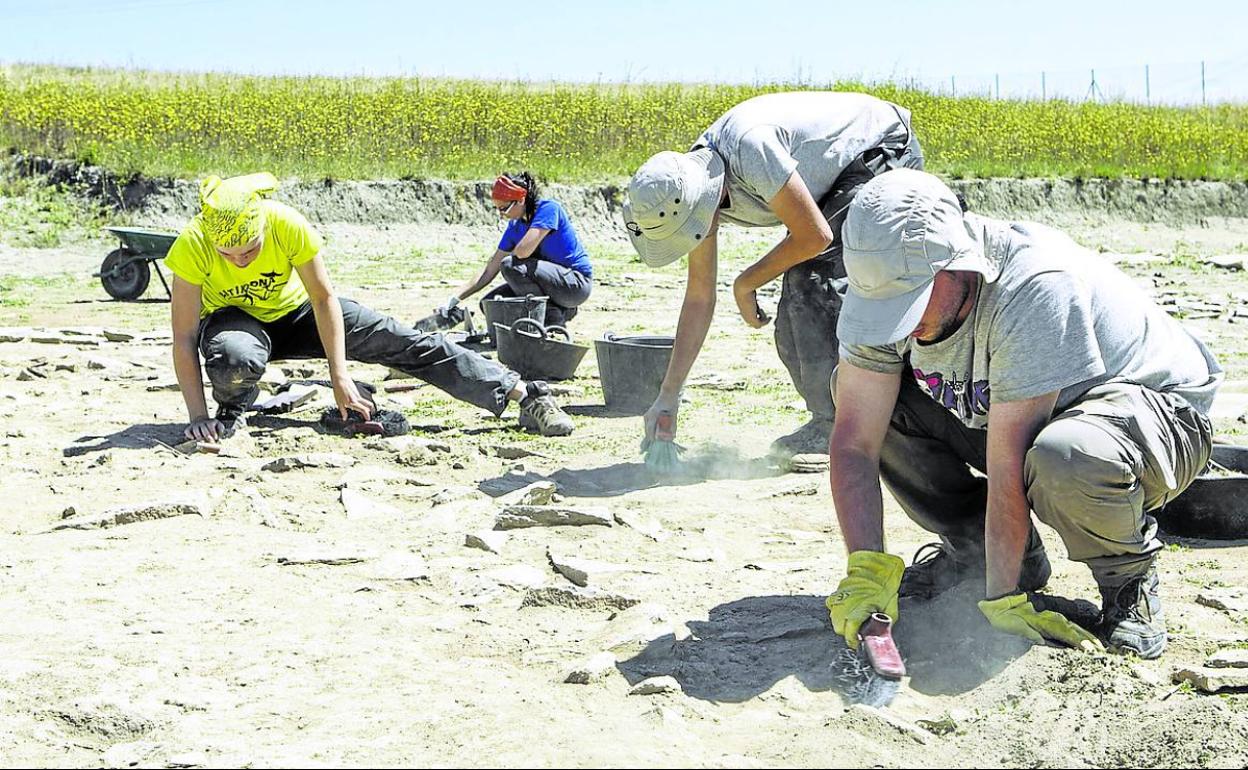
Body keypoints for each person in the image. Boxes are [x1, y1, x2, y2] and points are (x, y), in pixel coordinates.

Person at [824, 169, 1221, 659]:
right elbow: (855, 442)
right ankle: (978, 554)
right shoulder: (879, 284)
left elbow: (1008, 466)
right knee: (862, 398)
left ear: (957, 264)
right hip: (1024, 411)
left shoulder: (1032, 287)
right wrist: (866, 568)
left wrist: (1002, 601)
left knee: (1066, 456)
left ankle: (1126, 581)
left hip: (1153, 413)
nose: (901, 325)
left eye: (911, 303)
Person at [166, 172, 575, 443]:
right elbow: (184, 338)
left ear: (262, 228)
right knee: (234, 358)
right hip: (236, 323)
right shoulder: (192, 244)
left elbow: (323, 299)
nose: (240, 260)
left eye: (250, 250)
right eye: (229, 254)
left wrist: (339, 377)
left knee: (407, 341)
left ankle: (525, 396)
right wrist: (197, 415)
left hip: (299, 313)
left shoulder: (286, 223)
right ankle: (234, 404)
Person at [622, 91, 923, 458]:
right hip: (828, 177)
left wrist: (745, 283)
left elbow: (815, 236)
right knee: (793, 311)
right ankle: (826, 416)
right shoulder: (687, 194)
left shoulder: (749, 150)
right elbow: (700, 296)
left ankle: (842, 425)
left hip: (879, 147)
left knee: (813, 285)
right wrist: (668, 396)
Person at [439, 172, 593, 329]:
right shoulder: (515, 226)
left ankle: (551, 320)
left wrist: (508, 260)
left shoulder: (548, 209)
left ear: (521, 199)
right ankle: (560, 310)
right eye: (497, 209)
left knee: (510, 265)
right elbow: (489, 270)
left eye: (504, 208)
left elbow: (522, 252)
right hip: (552, 285)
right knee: (489, 305)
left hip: (575, 285)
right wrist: (455, 297)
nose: (501, 214)